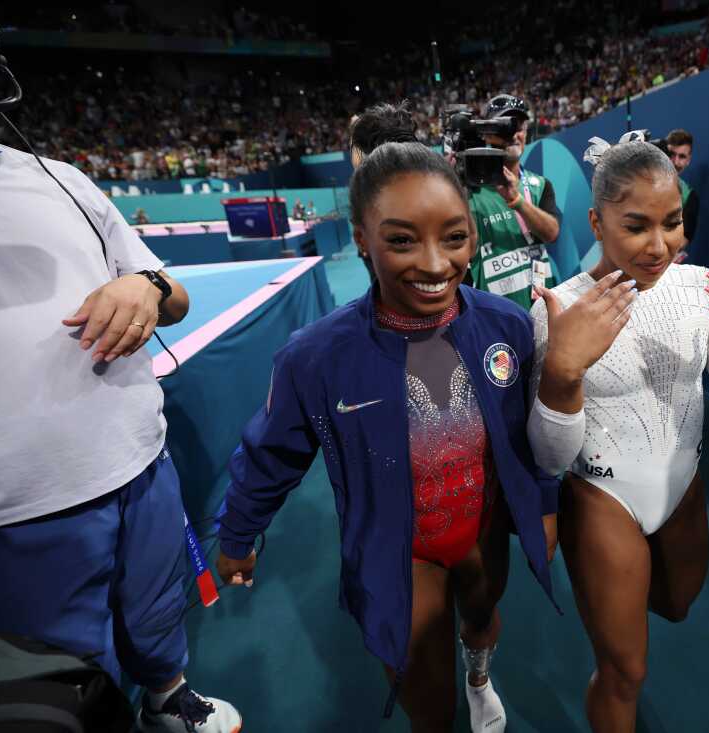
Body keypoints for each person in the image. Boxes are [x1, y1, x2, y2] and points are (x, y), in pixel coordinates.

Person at [215, 140, 559, 733]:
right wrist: (239, 531)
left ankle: (480, 675)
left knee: (481, 619)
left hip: (484, 533)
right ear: (361, 239)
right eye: (402, 240)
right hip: (402, 553)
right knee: (426, 705)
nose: (434, 263)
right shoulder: (317, 357)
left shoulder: (508, 324)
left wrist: (545, 503)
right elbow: (271, 453)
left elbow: (531, 437)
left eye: (454, 237)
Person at [526, 140, 709, 732]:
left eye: (672, 223)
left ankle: (617, 608)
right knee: (625, 671)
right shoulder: (558, 310)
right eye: (636, 226)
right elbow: (549, 458)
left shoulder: (699, 287)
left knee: (676, 605)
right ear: (597, 223)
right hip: (602, 499)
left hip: (683, 488)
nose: (659, 246)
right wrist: (561, 374)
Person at [0, 141, 241, 732]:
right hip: (26, 504)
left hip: (140, 457)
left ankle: (166, 698)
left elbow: (172, 293)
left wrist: (149, 287)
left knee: (156, 611)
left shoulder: (58, 178)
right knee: (62, 689)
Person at [467, 93, 562, 310]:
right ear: (487, 135)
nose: (512, 134)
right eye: (503, 127)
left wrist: (517, 201)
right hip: (496, 317)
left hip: (543, 309)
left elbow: (552, 233)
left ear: (527, 132)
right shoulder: (470, 194)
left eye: (518, 127)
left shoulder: (540, 185)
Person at [665, 128, 700, 249]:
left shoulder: (689, 196)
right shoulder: (640, 181)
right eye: (671, 155)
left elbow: (683, 240)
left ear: (688, 160)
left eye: (682, 156)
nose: (675, 162)